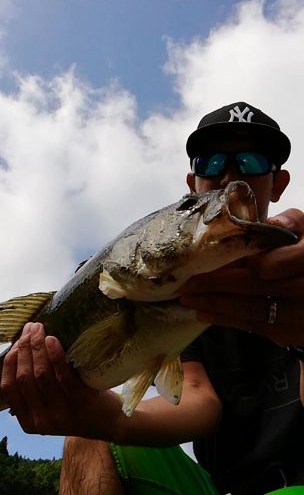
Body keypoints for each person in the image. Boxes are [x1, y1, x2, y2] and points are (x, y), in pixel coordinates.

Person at [1, 101, 304, 495]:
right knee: (86, 438)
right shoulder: (180, 294)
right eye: (210, 163)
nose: (230, 177)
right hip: (214, 487)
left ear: (277, 184)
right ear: (192, 182)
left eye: (251, 161)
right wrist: (105, 420)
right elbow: (195, 397)